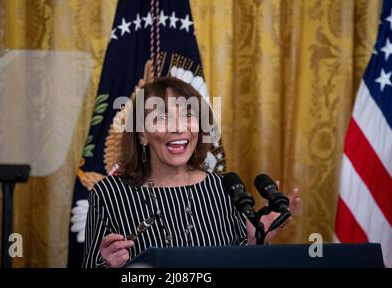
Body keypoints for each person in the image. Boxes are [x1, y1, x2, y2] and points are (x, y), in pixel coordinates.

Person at [82, 76, 299, 268]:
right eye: (162, 117)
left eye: (188, 115)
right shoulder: (108, 194)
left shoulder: (225, 189)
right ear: (142, 136)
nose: (179, 127)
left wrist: (255, 243)